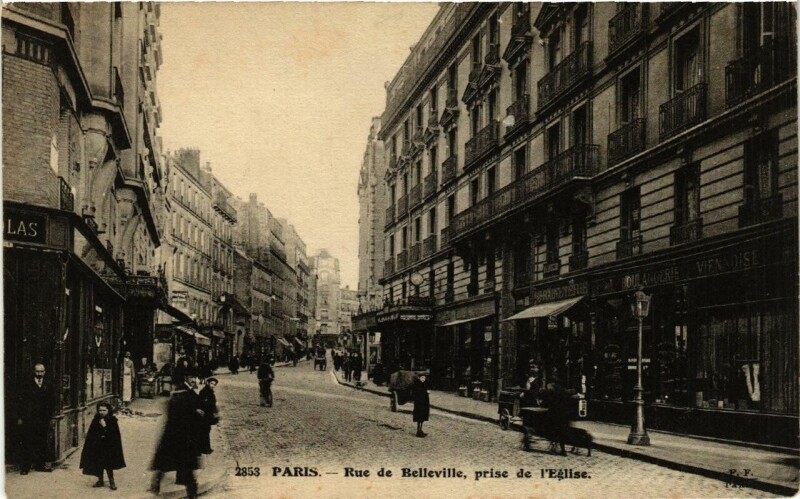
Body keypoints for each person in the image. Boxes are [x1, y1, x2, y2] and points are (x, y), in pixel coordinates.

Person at [150, 369, 205, 498]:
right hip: (185, 438)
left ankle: (155, 486)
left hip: (171, 436)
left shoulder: (175, 397)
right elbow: (192, 416)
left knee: (163, 464)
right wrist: (198, 414)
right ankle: (192, 494)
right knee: (187, 469)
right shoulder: (186, 396)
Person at [17, 363, 55, 474]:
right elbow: (21, 402)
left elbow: (52, 401)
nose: (39, 373)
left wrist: (51, 416)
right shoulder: (27, 384)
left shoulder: (48, 384)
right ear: (34, 371)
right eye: (37, 371)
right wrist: (20, 417)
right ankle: (26, 467)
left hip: (43, 419)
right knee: (27, 442)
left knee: (41, 441)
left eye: (41, 371)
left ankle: (40, 465)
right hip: (29, 418)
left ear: (45, 372)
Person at [80, 402, 126, 490]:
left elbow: (114, 435)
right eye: (100, 410)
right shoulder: (96, 419)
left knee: (108, 465)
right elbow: (92, 433)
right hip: (98, 446)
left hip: (108, 446)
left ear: (108, 411)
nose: (101, 412)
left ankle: (112, 481)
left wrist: (105, 426)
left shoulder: (112, 420)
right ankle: (100, 481)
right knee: (98, 464)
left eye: (104, 410)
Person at [198, 378, 219, 455]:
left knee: (206, 430)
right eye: (211, 383)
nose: (213, 385)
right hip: (205, 415)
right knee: (205, 431)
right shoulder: (204, 392)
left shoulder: (209, 391)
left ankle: (206, 448)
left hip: (208, 414)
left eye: (214, 384)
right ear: (207, 383)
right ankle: (205, 449)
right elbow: (203, 403)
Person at [411, 373, 430, 437]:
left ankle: (420, 430)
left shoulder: (424, 384)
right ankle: (418, 431)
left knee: (422, 417)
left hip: (424, 403)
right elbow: (417, 393)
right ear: (419, 378)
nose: (423, 379)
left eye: (424, 378)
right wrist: (426, 392)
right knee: (419, 417)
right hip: (419, 404)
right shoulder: (417, 384)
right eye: (422, 378)